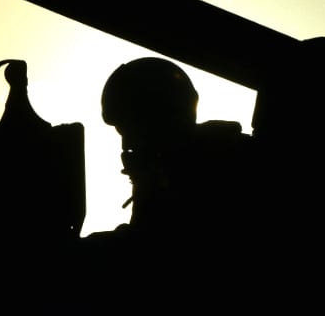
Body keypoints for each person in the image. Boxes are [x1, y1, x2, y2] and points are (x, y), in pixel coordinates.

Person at [100, 58, 252, 243]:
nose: (126, 146)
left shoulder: (217, 165)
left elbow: (150, 243)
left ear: (162, 116)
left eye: (132, 130)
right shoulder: (173, 168)